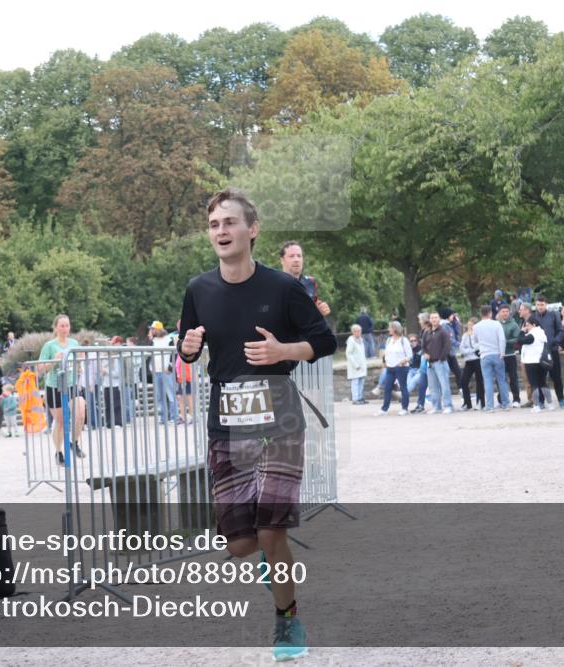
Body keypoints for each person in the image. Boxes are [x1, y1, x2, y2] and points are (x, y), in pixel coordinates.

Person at [177, 188, 335, 661]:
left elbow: (323, 341)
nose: (221, 232)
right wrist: (186, 349)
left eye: (229, 223)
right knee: (244, 544)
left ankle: (287, 623)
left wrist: (283, 352)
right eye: (214, 225)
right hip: (227, 422)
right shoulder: (199, 289)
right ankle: (273, 560)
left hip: (280, 419)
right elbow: (187, 350)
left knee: (272, 531)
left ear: (252, 229)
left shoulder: (283, 288)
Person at [39, 314, 88, 465]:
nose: (65, 328)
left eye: (67, 325)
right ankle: (59, 452)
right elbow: (40, 368)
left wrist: (80, 359)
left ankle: (73, 443)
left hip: (72, 385)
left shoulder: (73, 342)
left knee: (80, 413)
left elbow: (79, 362)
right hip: (54, 387)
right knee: (60, 422)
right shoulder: (49, 345)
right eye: (62, 325)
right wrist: (55, 360)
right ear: (55, 328)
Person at [473, 305, 511, 411]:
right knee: (501, 380)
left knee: (488, 381)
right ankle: (506, 403)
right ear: (490, 313)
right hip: (497, 353)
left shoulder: (476, 326)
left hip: (485, 355)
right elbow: (502, 339)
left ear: (481, 313)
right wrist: (502, 352)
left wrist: (480, 349)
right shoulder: (496, 324)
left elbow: (475, 341)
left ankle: (489, 406)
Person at [279, 241, 330, 317]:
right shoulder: (274, 283)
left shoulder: (311, 282)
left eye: (299, 256)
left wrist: (322, 309)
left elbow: (315, 306)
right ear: (282, 260)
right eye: (291, 256)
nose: (296, 260)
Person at [533, 296, 564, 407]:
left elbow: (561, 331)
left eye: (542, 305)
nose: (540, 307)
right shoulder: (533, 317)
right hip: (538, 352)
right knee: (540, 378)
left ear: (546, 304)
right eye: (538, 305)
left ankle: (561, 399)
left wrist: (555, 341)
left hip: (552, 350)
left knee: (556, 377)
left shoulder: (553, 315)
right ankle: (541, 401)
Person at [374, 321, 412, 416]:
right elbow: (386, 353)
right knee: (387, 388)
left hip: (401, 367)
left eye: (390, 327)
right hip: (390, 368)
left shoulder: (404, 340)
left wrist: (404, 360)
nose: (388, 329)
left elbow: (410, 355)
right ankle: (384, 409)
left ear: (395, 329)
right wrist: (385, 362)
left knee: (403, 387)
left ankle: (405, 408)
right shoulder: (389, 340)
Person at [519, 316, 552, 412]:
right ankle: (550, 404)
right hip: (541, 361)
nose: (526, 327)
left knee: (534, 384)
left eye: (528, 325)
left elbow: (520, 340)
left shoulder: (532, 335)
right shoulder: (542, 333)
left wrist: (521, 331)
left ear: (534, 324)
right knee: (543, 383)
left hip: (531, 361)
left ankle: (536, 405)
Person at [423, 312, 453, 414]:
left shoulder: (443, 332)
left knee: (444, 385)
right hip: (429, 363)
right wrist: (425, 353)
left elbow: (447, 346)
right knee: (432, 386)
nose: (434, 319)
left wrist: (440, 358)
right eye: (432, 318)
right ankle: (436, 406)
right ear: (430, 320)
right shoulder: (426, 332)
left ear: (439, 319)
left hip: (440, 362)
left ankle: (448, 406)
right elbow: (423, 346)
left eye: (436, 317)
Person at [148, 321, 179, 423]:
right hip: (156, 371)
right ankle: (163, 417)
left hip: (167, 371)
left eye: (152, 329)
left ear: (157, 329)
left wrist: (170, 367)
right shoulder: (153, 341)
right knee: (160, 396)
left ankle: (174, 417)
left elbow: (173, 354)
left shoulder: (168, 339)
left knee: (170, 394)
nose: (151, 331)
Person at [458, 318, 485, 411]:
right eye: (469, 325)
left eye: (472, 325)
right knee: (463, 381)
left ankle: (480, 402)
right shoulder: (465, 335)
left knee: (479, 381)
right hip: (468, 361)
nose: (470, 327)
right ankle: (467, 403)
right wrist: (469, 351)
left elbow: (477, 347)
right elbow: (462, 348)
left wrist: (469, 350)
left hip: (477, 360)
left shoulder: (479, 335)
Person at [498, 304, 522, 407]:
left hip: (510, 355)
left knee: (513, 378)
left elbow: (517, 338)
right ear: (499, 313)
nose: (505, 313)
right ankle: (501, 400)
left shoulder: (514, 324)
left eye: (506, 311)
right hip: (499, 356)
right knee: (500, 379)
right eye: (503, 311)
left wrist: (505, 342)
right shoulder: (497, 324)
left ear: (509, 312)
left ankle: (516, 399)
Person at [409, 316, 431, 413]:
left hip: (431, 361)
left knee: (436, 385)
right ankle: (420, 405)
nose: (418, 321)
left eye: (420, 319)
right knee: (422, 385)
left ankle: (439, 405)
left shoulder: (431, 331)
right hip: (424, 362)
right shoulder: (423, 332)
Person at [345, 324, 368, 405]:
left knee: (361, 381)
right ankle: (355, 399)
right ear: (353, 332)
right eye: (357, 331)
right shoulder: (351, 340)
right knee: (355, 382)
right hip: (355, 366)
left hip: (362, 365)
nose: (359, 333)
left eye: (360, 331)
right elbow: (349, 354)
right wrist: (356, 365)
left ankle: (360, 397)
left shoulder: (361, 339)